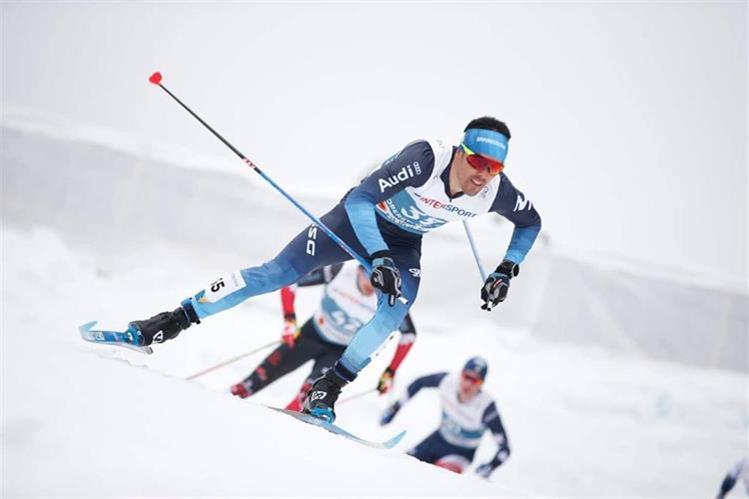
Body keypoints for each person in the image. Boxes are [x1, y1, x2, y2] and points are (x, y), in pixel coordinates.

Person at [125, 116, 542, 422]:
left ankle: (328, 388)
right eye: (478, 162)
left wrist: (506, 269)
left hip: (402, 244)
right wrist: (376, 257)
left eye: (495, 167)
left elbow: (530, 223)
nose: (484, 175)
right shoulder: (425, 158)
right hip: (355, 221)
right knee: (276, 274)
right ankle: (169, 321)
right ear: (461, 152)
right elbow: (360, 200)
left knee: (394, 310)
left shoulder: (494, 193)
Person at [229, 262, 417, 410]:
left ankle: (284, 426)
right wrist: (289, 320)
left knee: (308, 397)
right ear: (360, 270)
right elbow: (292, 282)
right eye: (368, 278)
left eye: (377, 284)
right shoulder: (339, 270)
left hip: (338, 352)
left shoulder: (390, 299)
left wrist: (390, 372)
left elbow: (408, 336)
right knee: (255, 380)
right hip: (311, 335)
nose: (371, 286)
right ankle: (223, 402)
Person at [380, 357, 510, 477]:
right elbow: (420, 382)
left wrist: (491, 466)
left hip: (461, 453)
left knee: (437, 477)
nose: (468, 384)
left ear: (481, 384)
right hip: (437, 440)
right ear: (461, 374)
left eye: (475, 380)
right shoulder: (448, 382)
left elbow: (505, 448)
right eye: (467, 376)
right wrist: (395, 407)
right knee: (402, 468)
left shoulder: (486, 407)